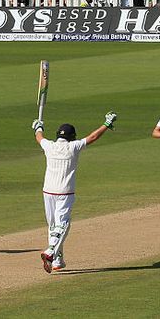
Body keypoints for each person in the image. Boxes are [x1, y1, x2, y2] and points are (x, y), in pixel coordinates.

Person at [33, 111, 117, 273]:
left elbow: (39, 138)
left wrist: (38, 127)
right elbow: (92, 137)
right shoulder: (73, 147)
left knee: (53, 226)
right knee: (63, 225)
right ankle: (50, 252)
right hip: (65, 192)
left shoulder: (49, 146)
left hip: (48, 191)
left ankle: (57, 260)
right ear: (71, 137)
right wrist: (106, 125)